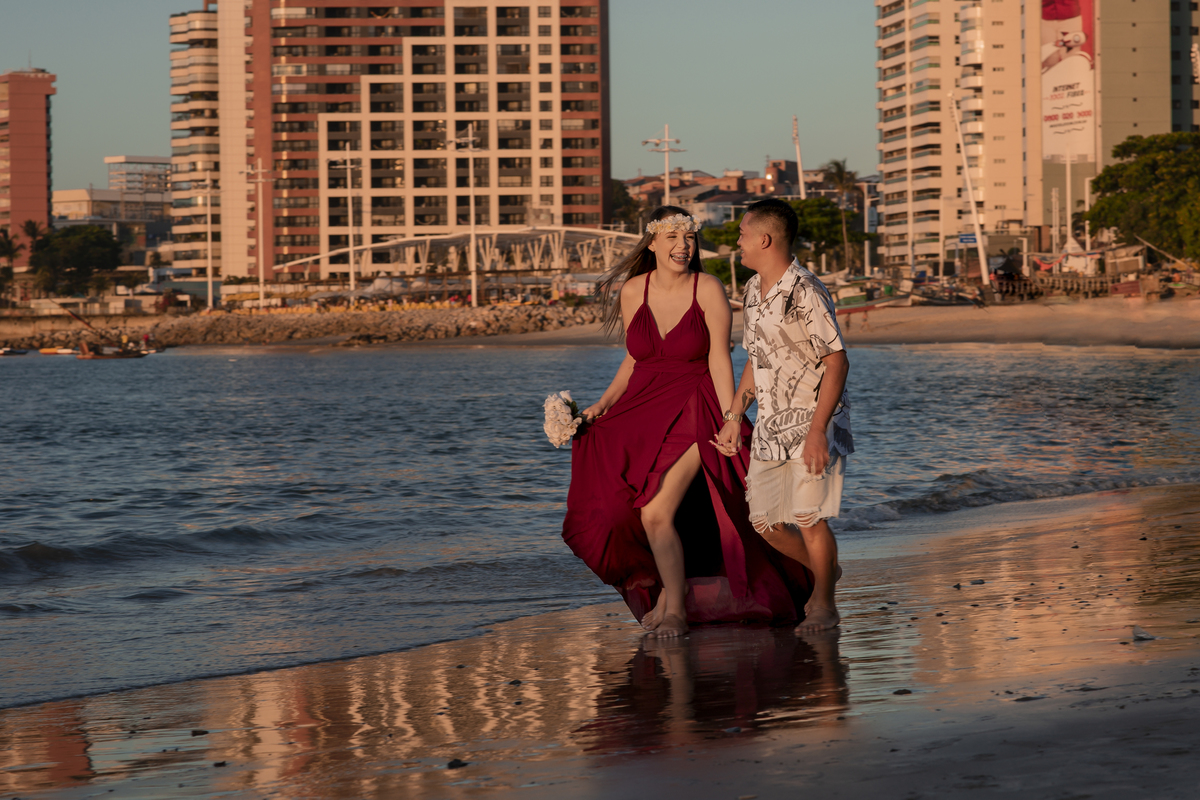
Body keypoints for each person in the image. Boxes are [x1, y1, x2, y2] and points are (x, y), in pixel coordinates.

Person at [562, 206, 814, 638]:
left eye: (690, 238)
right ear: (653, 243)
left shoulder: (708, 288)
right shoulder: (632, 291)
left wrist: (730, 417)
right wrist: (600, 406)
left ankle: (677, 608)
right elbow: (633, 360)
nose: (684, 246)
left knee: (657, 512)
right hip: (642, 408)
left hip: (696, 407)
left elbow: (719, 357)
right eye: (674, 237)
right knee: (613, 509)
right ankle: (665, 596)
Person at [715, 198, 853, 633]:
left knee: (809, 517)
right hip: (772, 422)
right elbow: (757, 359)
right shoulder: (752, 291)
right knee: (764, 523)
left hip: (814, 419)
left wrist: (817, 432)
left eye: (741, 234)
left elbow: (837, 362)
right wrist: (736, 415)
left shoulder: (806, 291)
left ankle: (824, 602)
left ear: (765, 239)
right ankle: (827, 569)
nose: (736, 241)